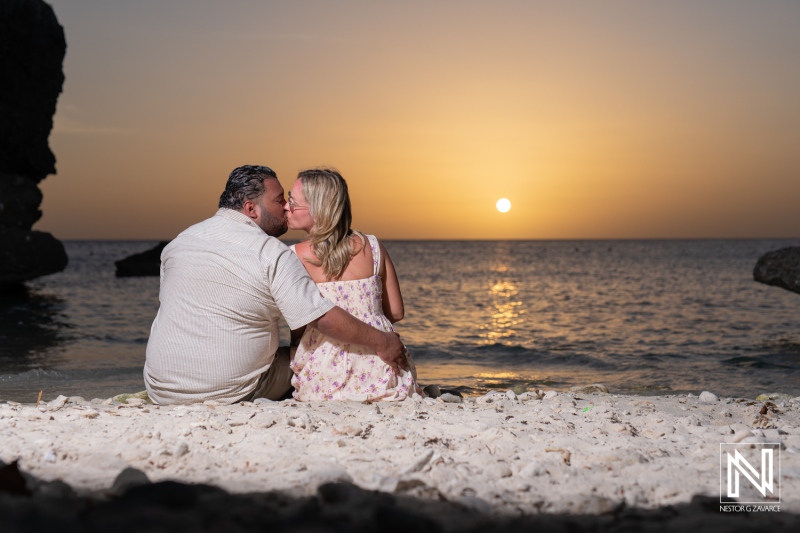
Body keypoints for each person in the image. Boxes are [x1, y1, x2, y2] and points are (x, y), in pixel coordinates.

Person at [143, 165, 408, 405]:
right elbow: (322, 318)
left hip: (161, 389)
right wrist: (383, 341)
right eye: (280, 200)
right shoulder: (271, 252)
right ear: (251, 208)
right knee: (301, 357)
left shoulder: (178, 243)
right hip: (231, 391)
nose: (285, 208)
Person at [285, 168, 421, 401]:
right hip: (383, 367)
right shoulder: (373, 246)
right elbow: (396, 312)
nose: (286, 207)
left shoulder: (293, 257)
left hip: (325, 371)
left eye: (292, 202)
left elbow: (298, 324)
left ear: (318, 210)